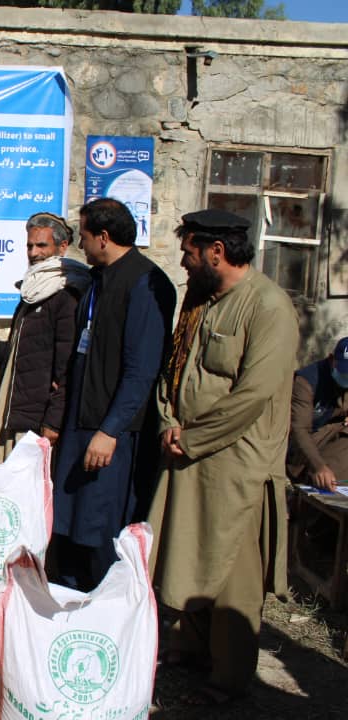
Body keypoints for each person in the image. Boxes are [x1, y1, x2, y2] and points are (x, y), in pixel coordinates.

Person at [149, 209, 298, 705]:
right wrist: (170, 422)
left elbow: (253, 395)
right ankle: (189, 647)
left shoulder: (268, 306)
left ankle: (230, 675)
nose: (185, 263)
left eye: (190, 253)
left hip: (235, 459)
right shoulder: (202, 301)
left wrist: (190, 437)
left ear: (216, 251)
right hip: (187, 449)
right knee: (184, 551)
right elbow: (175, 368)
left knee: (231, 568)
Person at [50, 198, 175, 592]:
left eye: (84, 238)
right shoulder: (97, 282)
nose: (80, 247)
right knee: (68, 527)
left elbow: (142, 371)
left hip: (112, 434)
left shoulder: (144, 283)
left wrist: (110, 430)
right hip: (79, 426)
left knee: (102, 532)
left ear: (103, 238)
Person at [0, 212, 90, 463]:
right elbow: (35, 351)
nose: (33, 253)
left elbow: (66, 367)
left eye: (41, 245)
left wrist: (53, 422)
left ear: (62, 247)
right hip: (21, 411)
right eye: (29, 245)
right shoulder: (34, 289)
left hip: (39, 420)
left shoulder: (66, 294)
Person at [287, 336, 348, 490]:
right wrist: (319, 467)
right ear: (331, 359)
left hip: (331, 439)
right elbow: (299, 430)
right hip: (302, 449)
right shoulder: (306, 382)